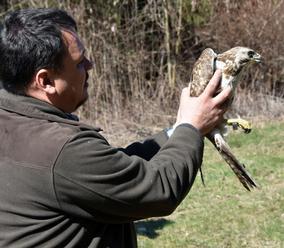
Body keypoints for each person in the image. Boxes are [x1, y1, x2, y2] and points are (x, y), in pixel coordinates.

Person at [0, 8, 231, 248]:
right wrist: (191, 127)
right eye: (79, 63)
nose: (90, 65)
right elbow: (157, 190)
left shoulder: (12, 119)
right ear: (45, 81)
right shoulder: (61, 149)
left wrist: (177, 131)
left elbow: (107, 170)